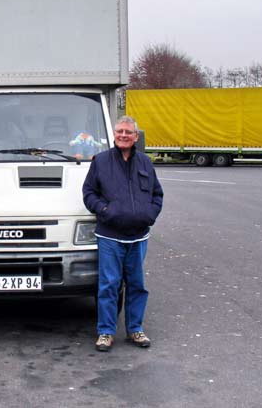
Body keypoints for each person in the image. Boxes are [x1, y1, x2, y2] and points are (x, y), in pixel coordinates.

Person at [82, 116, 163, 351]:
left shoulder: (145, 163)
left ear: (136, 136)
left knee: (137, 285)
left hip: (138, 237)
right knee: (109, 286)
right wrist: (105, 210)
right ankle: (106, 332)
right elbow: (88, 193)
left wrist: (150, 214)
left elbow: (157, 194)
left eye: (129, 132)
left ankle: (135, 330)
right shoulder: (101, 161)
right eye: (120, 131)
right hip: (110, 236)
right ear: (114, 134)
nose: (124, 135)